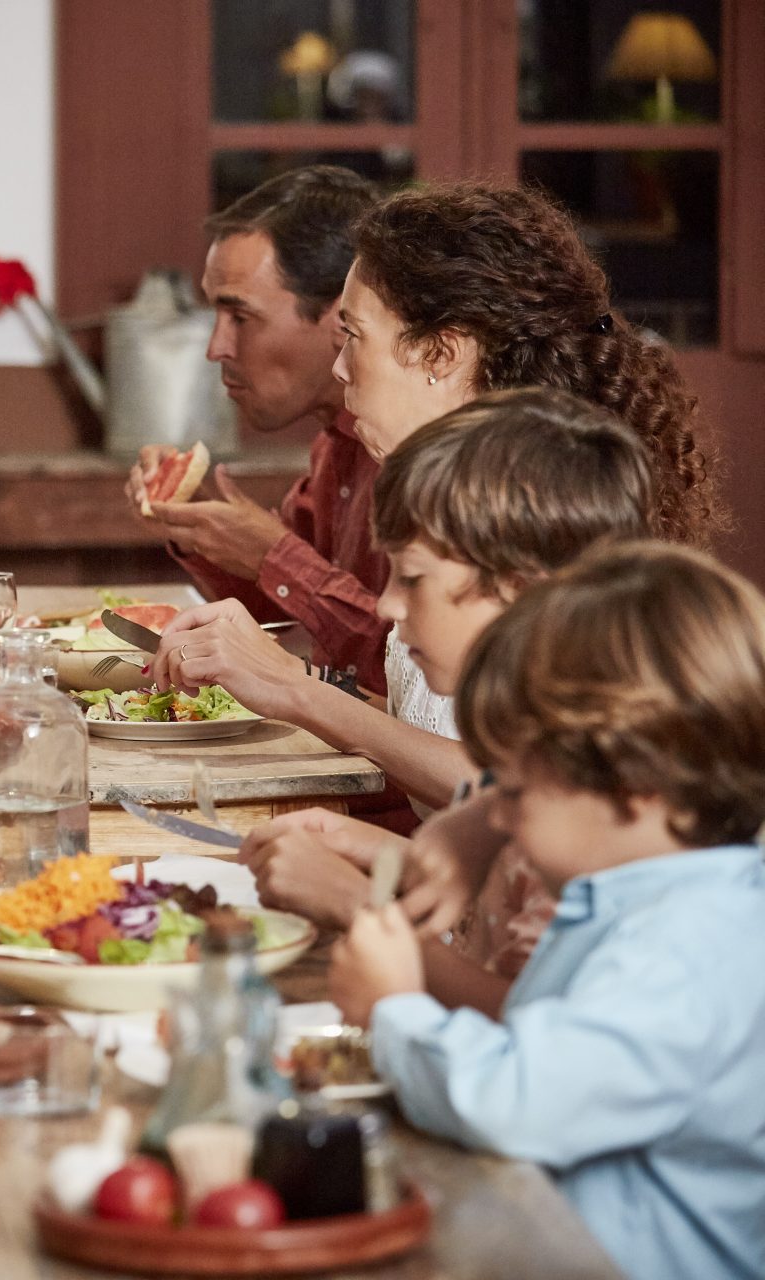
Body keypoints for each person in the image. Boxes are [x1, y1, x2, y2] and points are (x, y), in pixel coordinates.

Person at [149, 179, 720, 812]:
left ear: (440, 353)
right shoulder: (456, 493)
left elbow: (536, 794)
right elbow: (423, 731)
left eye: (354, 337)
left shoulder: (540, 513)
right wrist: (280, 680)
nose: (339, 370)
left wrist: (295, 688)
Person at [328, 541, 765, 1280]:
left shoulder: (689, 950)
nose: (499, 816)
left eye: (519, 790)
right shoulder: (653, 892)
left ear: (638, 786)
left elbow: (515, 1100)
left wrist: (397, 1006)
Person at [235, 390, 652, 1019]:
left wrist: (359, 906)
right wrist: (388, 859)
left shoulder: (603, 789)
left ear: (521, 588)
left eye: (413, 577)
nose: (386, 606)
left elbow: (530, 1025)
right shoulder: (533, 750)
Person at [127, 166, 390, 693]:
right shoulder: (330, 442)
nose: (215, 348)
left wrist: (275, 555)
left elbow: (406, 667)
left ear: (342, 316)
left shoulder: (426, 449)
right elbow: (283, 608)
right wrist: (197, 522)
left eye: (240, 317)